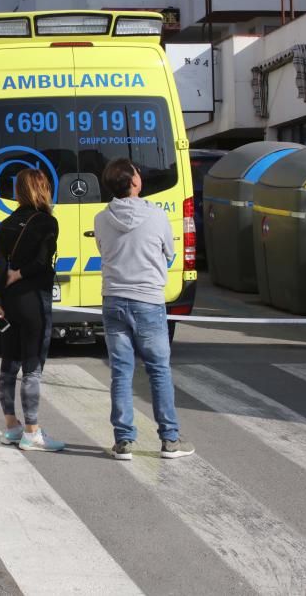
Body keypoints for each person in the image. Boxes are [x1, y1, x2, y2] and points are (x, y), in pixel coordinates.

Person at [95, 158, 195, 461]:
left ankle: (124, 441)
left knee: (121, 373)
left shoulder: (101, 218)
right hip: (149, 301)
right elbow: (169, 252)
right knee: (158, 371)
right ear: (135, 182)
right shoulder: (157, 216)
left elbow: (103, 249)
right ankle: (169, 440)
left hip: (113, 299)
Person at [0, 168, 64, 452]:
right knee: (32, 367)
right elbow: (43, 262)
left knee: (8, 366)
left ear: (19, 191)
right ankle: (32, 432)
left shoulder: (4, 225)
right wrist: (20, 274)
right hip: (34, 300)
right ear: (43, 189)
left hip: (8, 303)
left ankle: (11, 427)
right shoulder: (47, 223)